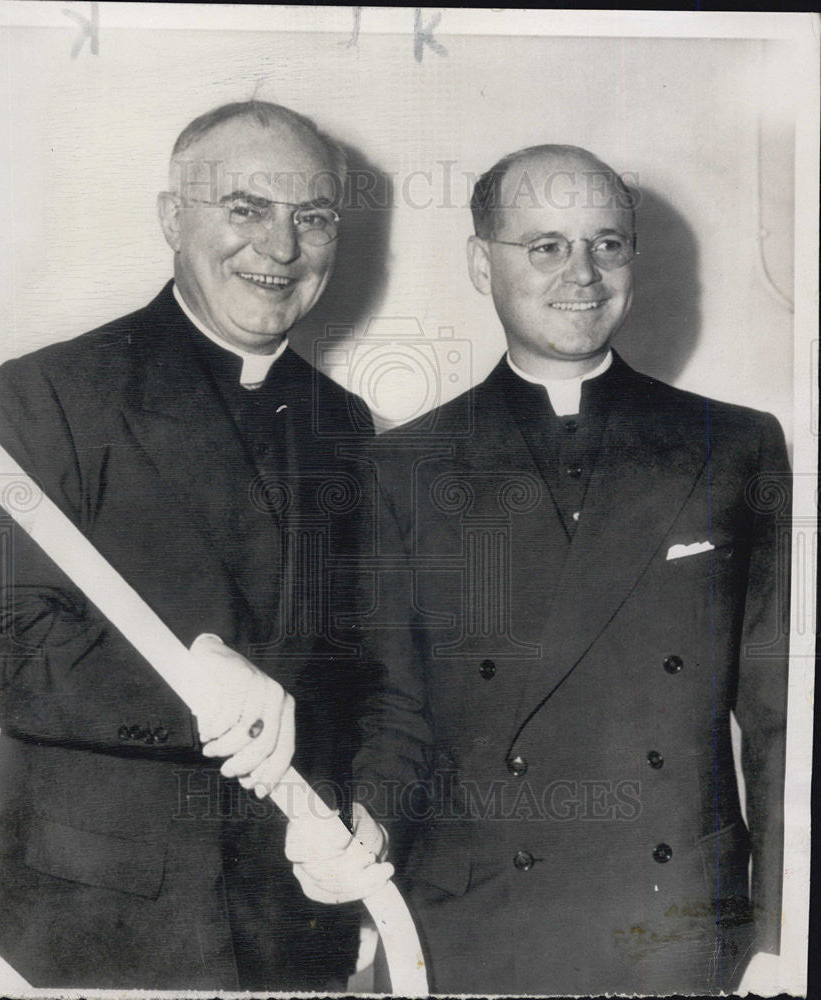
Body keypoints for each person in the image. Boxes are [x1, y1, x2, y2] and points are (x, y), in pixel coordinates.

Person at [291, 144, 791, 995]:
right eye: (545, 245)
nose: (583, 274)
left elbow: (785, 724)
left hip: (673, 921)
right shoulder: (404, 468)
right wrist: (364, 827)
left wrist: (784, 934)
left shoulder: (733, 445)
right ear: (481, 265)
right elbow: (397, 712)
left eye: (608, 243)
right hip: (475, 922)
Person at [0, 100, 380, 991]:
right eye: (244, 208)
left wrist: (363, 818)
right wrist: (199, 682)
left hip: (291, 922)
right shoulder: (48, 392)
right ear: (174, 218)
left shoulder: (347, 424)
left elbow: (357, 664)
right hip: (99, 916)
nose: (279, 250)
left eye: (310, 217)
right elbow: (14, 642)